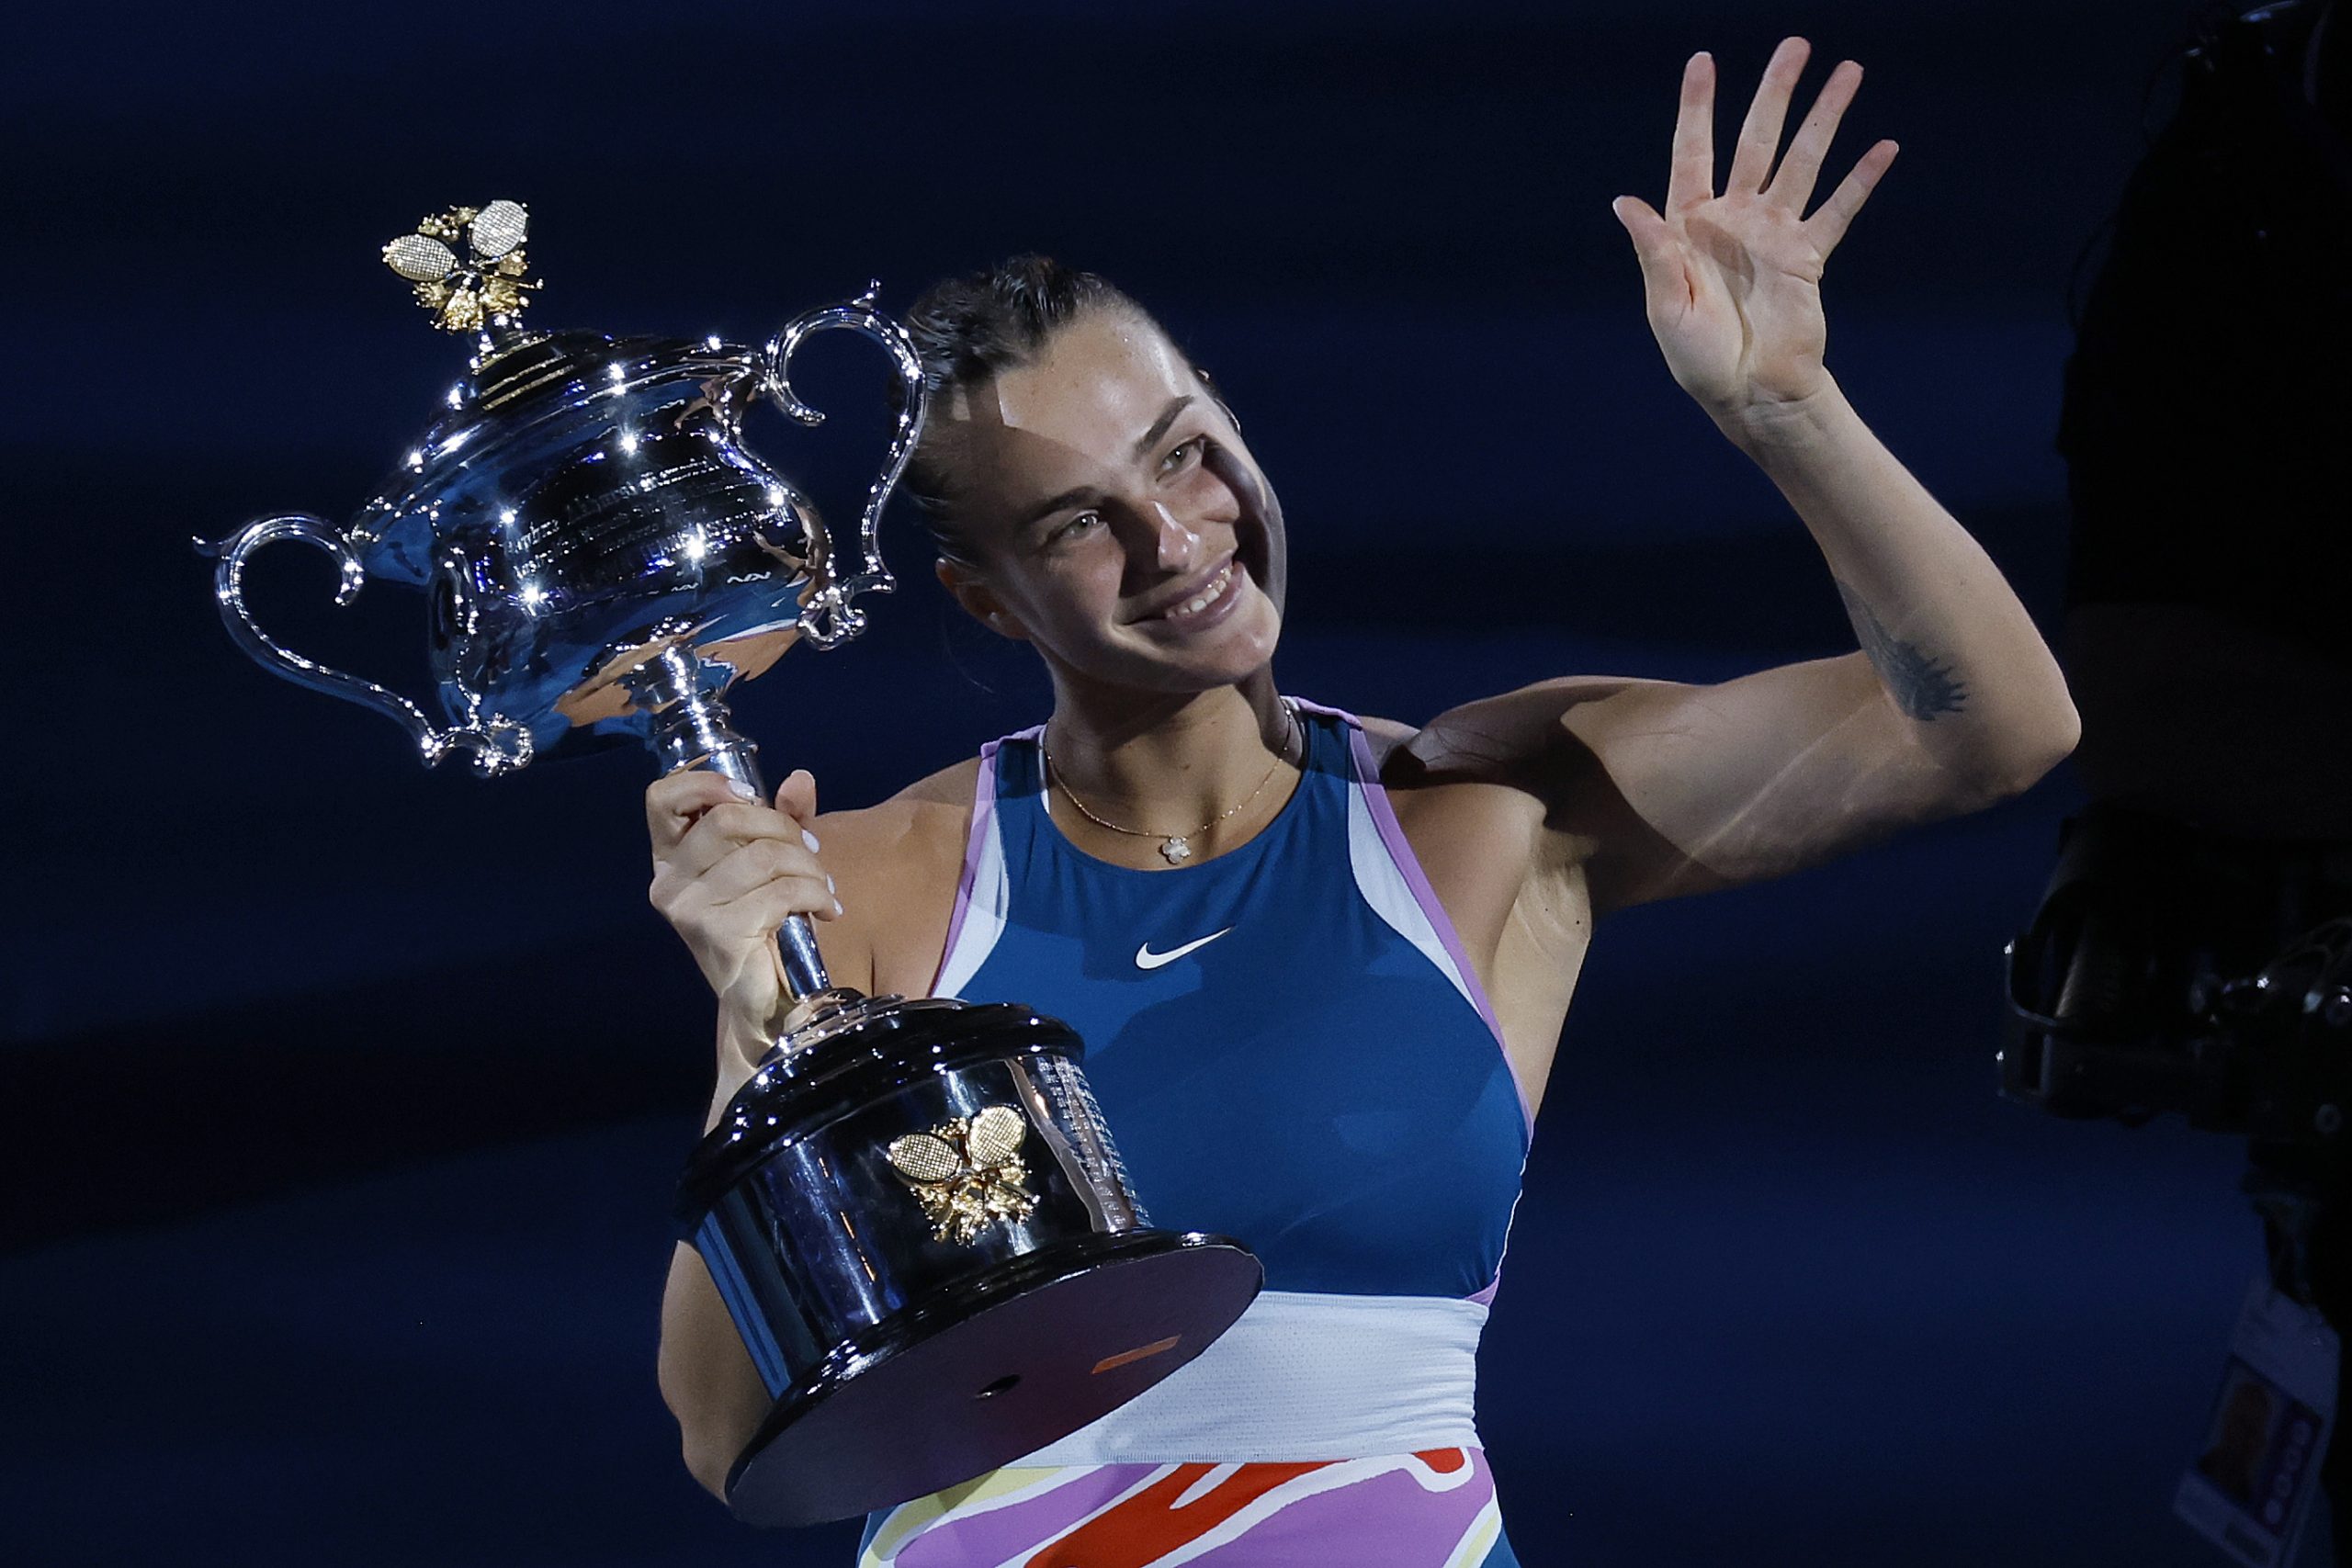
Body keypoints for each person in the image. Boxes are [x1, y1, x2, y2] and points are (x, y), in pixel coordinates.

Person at [647, 38, 2080, 1566]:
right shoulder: (867, 877)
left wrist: (1788, 408)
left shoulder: (1492, 808)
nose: (1176, 535)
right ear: (985, 602)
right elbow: (730, 1436)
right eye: (1078, 523)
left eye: (1188, 452)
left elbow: (1992, 729)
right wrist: (754, 1026)